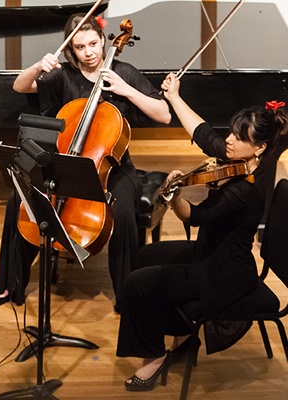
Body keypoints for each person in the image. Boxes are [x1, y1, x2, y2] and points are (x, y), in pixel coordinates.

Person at [0, 14, 171, 311]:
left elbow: (164, 114)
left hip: (112, 167)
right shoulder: (64, 75)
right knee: (19, 202)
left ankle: (127, 294)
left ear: (103, 39)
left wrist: (126, 90)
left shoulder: (123, 72)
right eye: (81, 47)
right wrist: (36, 67)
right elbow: (20, 87)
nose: (89, 52)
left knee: (121, 213)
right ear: (72, 50)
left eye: (93, 43)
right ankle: (9, 285)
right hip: (66, 162)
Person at [115, 72, 288, 392]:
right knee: (145, 255)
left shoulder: (247, 189)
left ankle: (153, 356)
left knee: (136, 283)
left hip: (224, 271)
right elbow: (205, 133)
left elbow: (195, 217)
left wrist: (174, 194)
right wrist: (175, 97)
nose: (229, 141)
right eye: (233, 134)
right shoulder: (236, 159)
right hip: (211, 251)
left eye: (239, 138)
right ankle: (180, 333)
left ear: (260, 148)